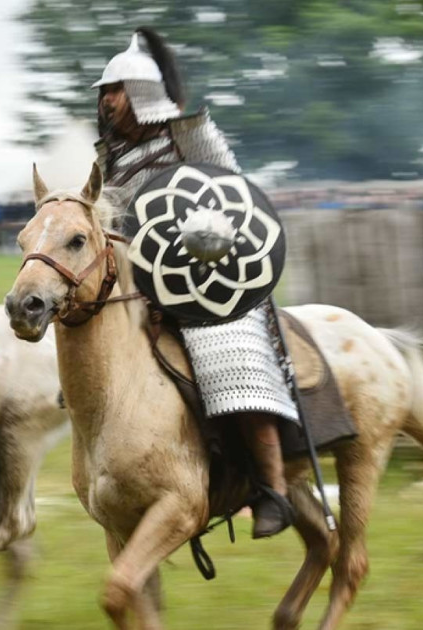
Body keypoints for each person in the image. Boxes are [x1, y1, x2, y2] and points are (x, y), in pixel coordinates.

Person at [91, 29, 298, 538]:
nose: (106, 101)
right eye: (103, 92)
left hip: (209, 280)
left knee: (234, 360)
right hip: (141, 288)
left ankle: (273, 488)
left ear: (140, 94)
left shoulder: (190, 135)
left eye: (115, 90)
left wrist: (199, 241)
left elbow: (234, 199)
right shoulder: (108, 158)